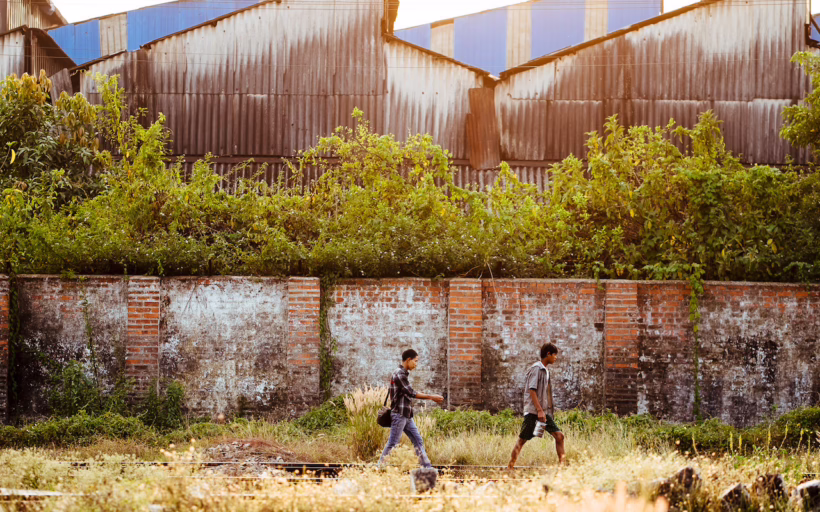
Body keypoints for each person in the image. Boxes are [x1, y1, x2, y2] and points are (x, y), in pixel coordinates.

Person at [379, 348, 444, 468]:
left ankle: (427, 467)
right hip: (399, 414)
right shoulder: (399, 374)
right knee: (393, 443)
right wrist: (431, 397)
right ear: (408, 360)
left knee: (418, 440)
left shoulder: (401, 373)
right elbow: (411, 393)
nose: (416, 364)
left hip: (406, 415)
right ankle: (380, 467)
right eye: (415, 361)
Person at [508, 342, 565, 469]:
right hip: (534, 412)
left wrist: (544, 412)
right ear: (548, 354)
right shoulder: (536, 369)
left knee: (559, 436)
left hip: (542, 412)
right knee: (522, 440)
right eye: (554, 355)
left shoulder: (546, 370)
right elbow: (531, 390)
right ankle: (510, 467)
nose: (556, 358)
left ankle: (562, 468)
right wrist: (539, 411)